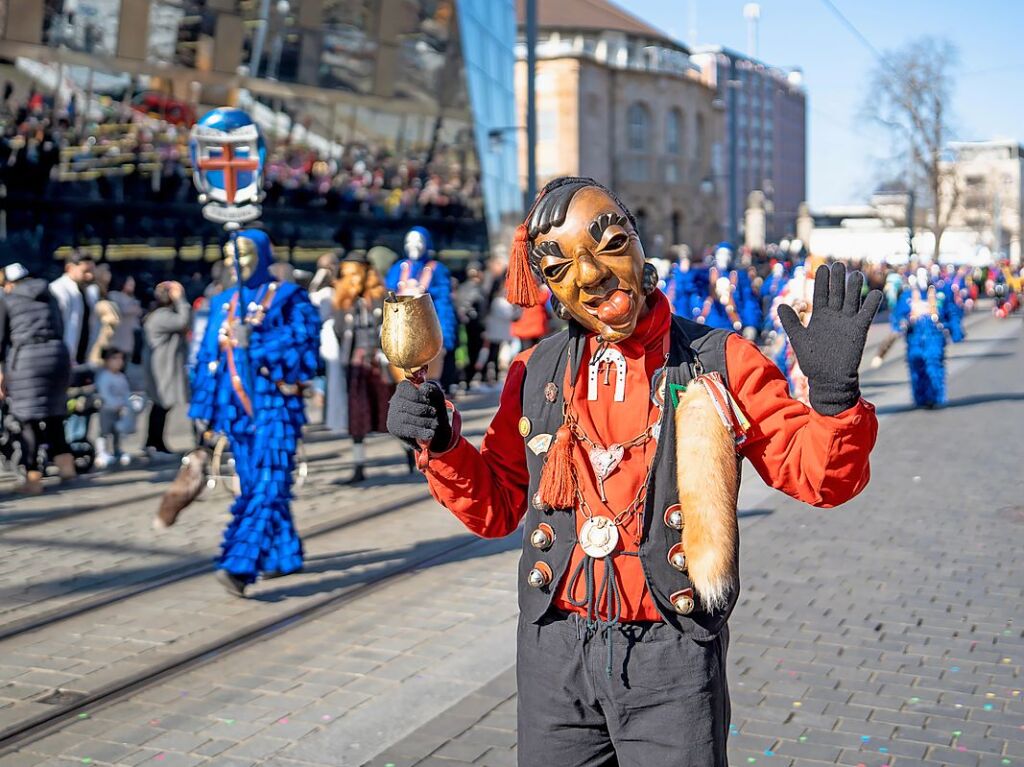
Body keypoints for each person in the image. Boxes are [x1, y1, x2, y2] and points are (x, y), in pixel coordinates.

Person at [387, 176, 882, 766]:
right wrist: (443, 444)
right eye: (558, 267)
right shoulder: (533, 372)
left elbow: (820, 478)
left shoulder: (721, 362)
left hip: (669, 657)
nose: (590, 275)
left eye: (610, 243)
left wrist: (832, 398)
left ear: (641, 247)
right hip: (554, 653)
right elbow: (495, 507)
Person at [189, 229, 320, 597]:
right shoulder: (222, 301)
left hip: (275, 407)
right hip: (236, 409)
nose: (236, 262)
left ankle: (240, 563)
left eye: (243, 254)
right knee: (253, 480)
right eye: (231, 255)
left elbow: (304, 347)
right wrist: (204, 408)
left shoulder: (290, 298)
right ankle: (284, 554)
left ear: (262, 255)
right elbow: (205, 358)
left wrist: (257, 343)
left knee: (268, 481)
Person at [0, 263, 74, 492]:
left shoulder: (7, 300)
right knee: (54, 414)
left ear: (10, 283)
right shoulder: (48, 294)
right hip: (57, 356)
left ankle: (32, 477)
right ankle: (67, 468)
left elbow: (1, 339)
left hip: (27, 359)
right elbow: (61, 327)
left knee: (26, 418)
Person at [332, 251, 395, 482]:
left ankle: (410, 452)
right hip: (357, 362)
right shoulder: (343, 301)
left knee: (390, 409)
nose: (352, 278)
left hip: (380, 360)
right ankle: (359, 465)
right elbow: (338, 331)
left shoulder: (381, 297)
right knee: (357, 414)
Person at [384, 227, 457, 381]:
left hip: (427, 331)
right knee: (403, 381)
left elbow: (443, 304)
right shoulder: (399, 268)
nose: (414, 246)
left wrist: (444, 335)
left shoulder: (436, 269)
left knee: (429, 379)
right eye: (410, 241)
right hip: (400, 332)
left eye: (418, 241)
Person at [142, 280, 191, 454]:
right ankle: (153, 443)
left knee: (162, 406)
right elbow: (183, 321)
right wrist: (181, 299)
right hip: (161, 368)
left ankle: (155, 442)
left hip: (163, 367)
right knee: (160, 405)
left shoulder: (159, 314)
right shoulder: (161, 315)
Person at [49, 251, 97, 368]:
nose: (90, 275)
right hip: (65, 357)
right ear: (69, 268)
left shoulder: (89, 291)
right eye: (85, 271)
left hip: (83, 357)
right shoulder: (58, 290)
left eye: (92, 271)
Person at [95, 348, 132, 468]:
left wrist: (127, 404)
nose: (119, 362)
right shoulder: (104, 377)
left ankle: (117, 450)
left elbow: (126, 393)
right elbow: (104, 394)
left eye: (121, 359)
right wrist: (115, 403)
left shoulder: (121, 377)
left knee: (117, 432)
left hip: (119, 410)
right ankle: (101, 452)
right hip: (107, 409)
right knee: (104, 432)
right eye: (115, 358)